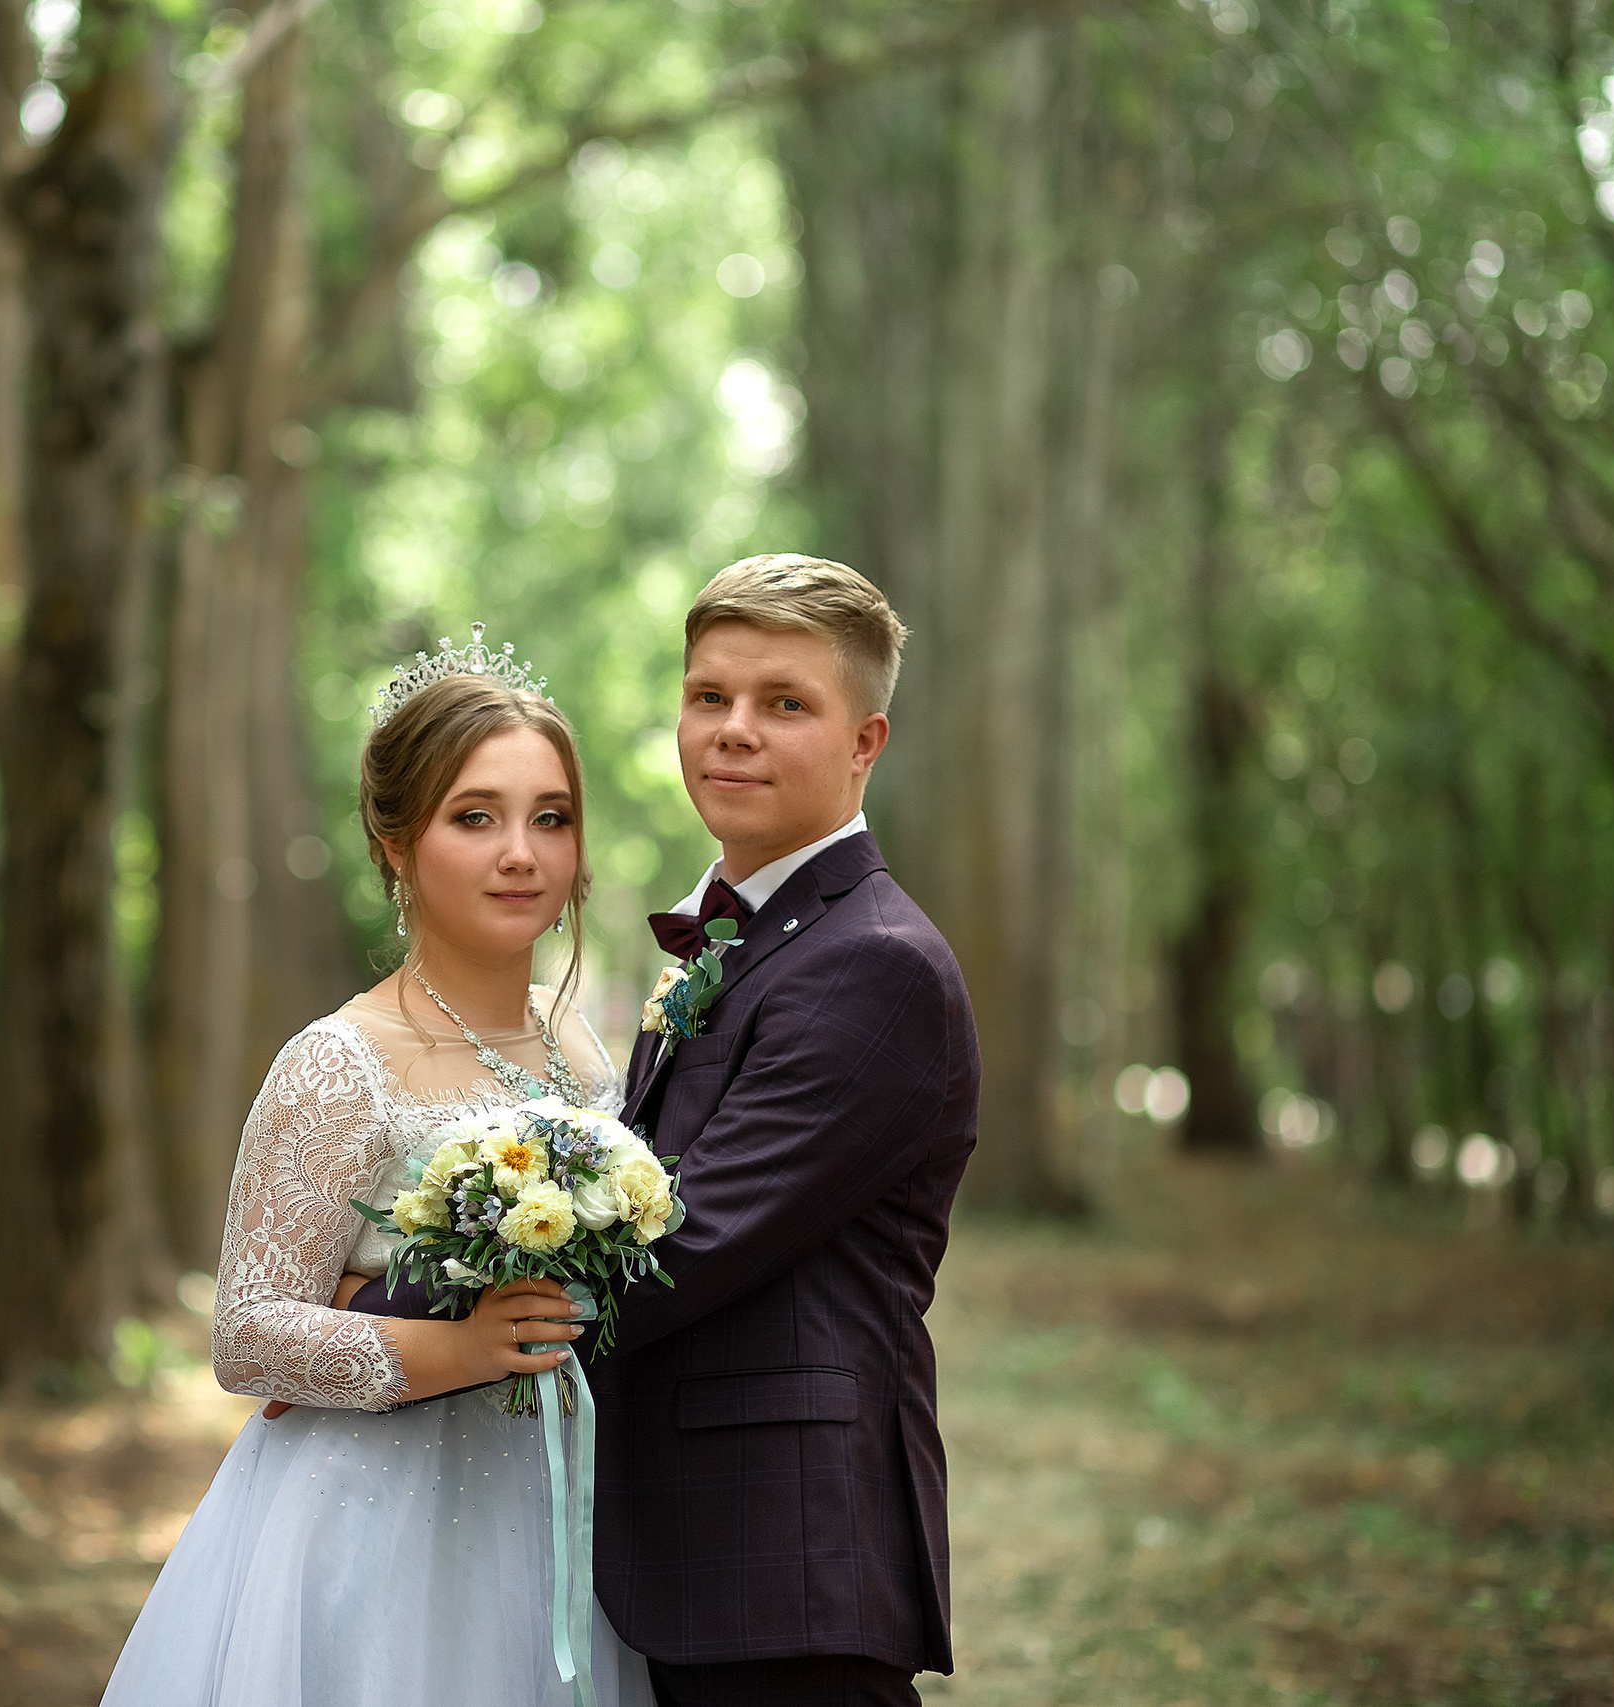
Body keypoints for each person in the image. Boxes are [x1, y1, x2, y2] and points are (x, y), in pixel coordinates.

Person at [344, 555, 981, 1707]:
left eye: (784, 703)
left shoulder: (869, 966)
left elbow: (680, 1242)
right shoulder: (739, 940)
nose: (733, 731)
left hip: (782, 1558)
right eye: (709, 697)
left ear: (864, 742)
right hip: (689, 1550)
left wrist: (375, 1324)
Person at [98, 638, 659, 1706]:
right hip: (384, 1522)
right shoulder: (336, 1063)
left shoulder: (578, 1040)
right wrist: (463, 1343)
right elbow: (248, 1333)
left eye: (549, 817)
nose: (520, 853)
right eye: (474, 816)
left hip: (563, 1510)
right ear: (395, 845)